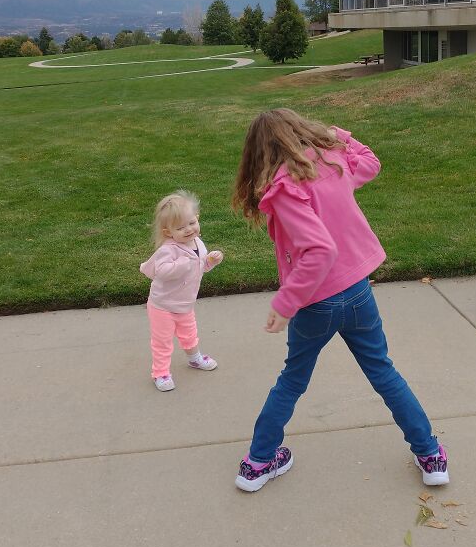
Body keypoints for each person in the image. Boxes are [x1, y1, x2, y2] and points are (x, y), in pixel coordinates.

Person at [231, 108, 448, 492]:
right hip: (359, 293)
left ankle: (258, 463)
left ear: (258, 153)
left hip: (316, 305)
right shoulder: (331, 165)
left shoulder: (287, 186)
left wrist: (286, 303)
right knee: (383, 371)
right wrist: (340, 135)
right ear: (302, 133)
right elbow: (370, 161)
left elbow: (318, 250)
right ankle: (429, 455)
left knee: (292, 380)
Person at [140, 190, 223, 391]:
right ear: (168, 232)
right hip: (163, 306)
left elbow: (198, 268)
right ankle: (160, 373)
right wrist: (182, 265)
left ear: (198, 218)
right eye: (180, 227)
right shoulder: (168, 250)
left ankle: (194, 358)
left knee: (189, 334)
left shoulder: (198, 244)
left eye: (192, 223)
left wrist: (210, 262)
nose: (188, 230)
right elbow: (162, 272)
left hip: (185, 304)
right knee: (163, 340)